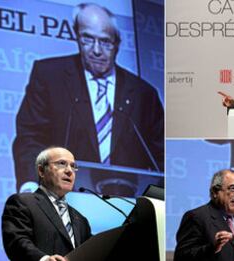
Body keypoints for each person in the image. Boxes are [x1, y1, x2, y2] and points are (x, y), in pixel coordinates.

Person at [13, 3, 164, 192]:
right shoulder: (50, 76)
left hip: (128, 205)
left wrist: (158, 199)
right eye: (87, 39)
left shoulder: (144, 94)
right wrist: (30, 185)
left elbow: (161, 156)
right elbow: (30, 138)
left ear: (117, 44)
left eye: (105, 41)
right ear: (77, 37)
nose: (97, 50)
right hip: (61, 199)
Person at [2, 147, 92, 261]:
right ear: (41, 171)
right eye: (62, 164)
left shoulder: (80, 219)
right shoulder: (22, 202)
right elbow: (16, 241)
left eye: (73, 166)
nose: (69, 171)